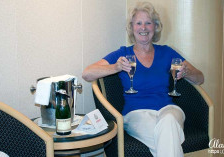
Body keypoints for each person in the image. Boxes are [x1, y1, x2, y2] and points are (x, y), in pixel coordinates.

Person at [82, 2, 204, 157]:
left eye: (148, 23)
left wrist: (187, 72)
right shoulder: (124, 54)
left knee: (168, 123)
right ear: (132, 27)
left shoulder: (167, 52)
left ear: (156, 26)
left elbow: (200, 78)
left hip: (168, 109)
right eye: (138, 23)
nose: (143, 28)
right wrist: (115, 67)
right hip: (136, 114)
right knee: (168, 135)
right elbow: (87, 73)